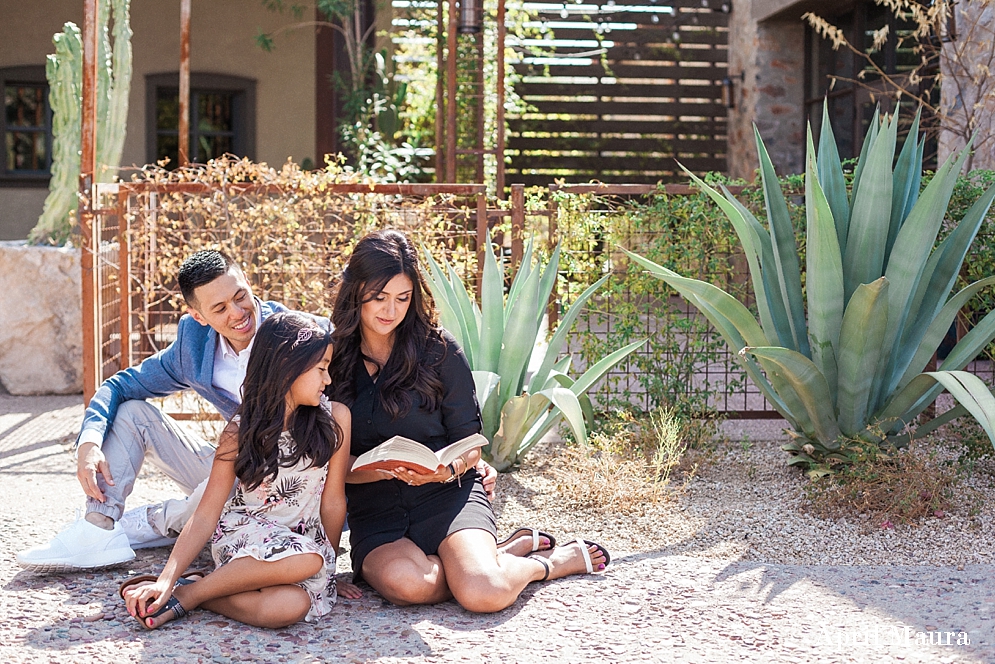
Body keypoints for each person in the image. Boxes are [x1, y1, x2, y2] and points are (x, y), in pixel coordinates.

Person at [15, 248, 496, 573]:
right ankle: (99, 528)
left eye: (240, 295)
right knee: (136, 413)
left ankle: (147, 523)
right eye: (219, 308)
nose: (238, 313)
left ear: (249, 283)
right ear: (199, 316)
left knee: (211, 496)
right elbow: (120, 384)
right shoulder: (192, 347)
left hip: (296, 481)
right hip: (237, 463)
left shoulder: (296, 333)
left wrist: (459, 459)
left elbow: (358, 413)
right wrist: (88, 442)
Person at [327, 230, 610, 613]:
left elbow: (471, 443)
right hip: (375, 511)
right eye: (378, 297)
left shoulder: (438, 350)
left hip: (447, 495)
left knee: (484, 593)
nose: (390, 311)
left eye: (402, 298)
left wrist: (441, 472)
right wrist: (378, 473)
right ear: (355, 290)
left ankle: (543, 565)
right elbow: (325, 464)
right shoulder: (331, 359)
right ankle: (493, 555)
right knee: (407, 587)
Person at [121, 312, 361, 629]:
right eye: (320, 370)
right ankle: (188, 594)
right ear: (289, 369)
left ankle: (199, 590)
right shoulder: (239, 432)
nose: (327, 380)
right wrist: (166, 578)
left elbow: (332, 502)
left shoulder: (336, 419)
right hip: (244, 537)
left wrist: (327, 571)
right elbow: (206, 513)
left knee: (292, 606)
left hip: (302, 551)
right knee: (307, 559)